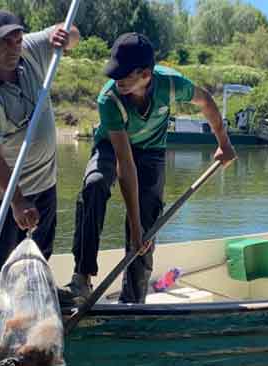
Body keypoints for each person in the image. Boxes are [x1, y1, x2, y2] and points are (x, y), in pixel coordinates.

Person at [60, 33, 237, 305]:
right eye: (114, 73)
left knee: (147, 225)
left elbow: (206, 103)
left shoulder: (170, 84)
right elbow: (124, 163)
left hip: (152, 151)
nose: (116, 80)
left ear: (145, 74)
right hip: (113, 146)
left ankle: (132, 301)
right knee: (94, 184)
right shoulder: (110, 98)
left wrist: (223, 143)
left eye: (124, 75)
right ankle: (81, 279)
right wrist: (133, 224)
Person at [0, 10, 80, 285]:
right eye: (5, 42)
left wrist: (67, 38)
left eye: (18, 39)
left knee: (37, 260)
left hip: (44, 182)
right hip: (1, 194)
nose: (14, 48)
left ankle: (30, 313)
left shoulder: (30, 50)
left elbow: (72, 32)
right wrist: (16, 201)